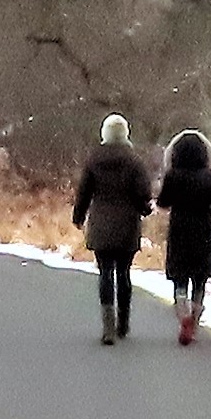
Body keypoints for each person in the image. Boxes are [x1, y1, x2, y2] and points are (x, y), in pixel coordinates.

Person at [69, 114, 156, 343]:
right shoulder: (134, 161)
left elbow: (84, 193)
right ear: (125, 133)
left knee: (105, 273)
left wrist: (78, 217)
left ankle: (108, 327)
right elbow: (143, 195)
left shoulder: (93, 160)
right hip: (127, 225)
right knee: (124, 273)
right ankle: (123, 323)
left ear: (104, 134)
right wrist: (145, 209)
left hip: (101, 224)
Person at [154, 128, 211, 344]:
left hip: (179, 229)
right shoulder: (210, 178)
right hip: (203, 230)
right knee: (200, 277)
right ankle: (194, 318)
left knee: (179, 276)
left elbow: (163, 203)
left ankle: (183, 312)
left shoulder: (173, 176)